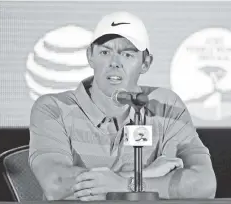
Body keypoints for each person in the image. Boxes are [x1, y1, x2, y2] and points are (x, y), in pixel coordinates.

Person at [28, 11, 217, 201]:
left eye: (127, 54)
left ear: (145, 63)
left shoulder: (166, 105)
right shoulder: (54, 108)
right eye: (105, 52)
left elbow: (205, 184)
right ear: (90, 56)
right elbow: (56, 184)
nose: (114, 63)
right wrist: (145, 175)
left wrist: (125, 184)